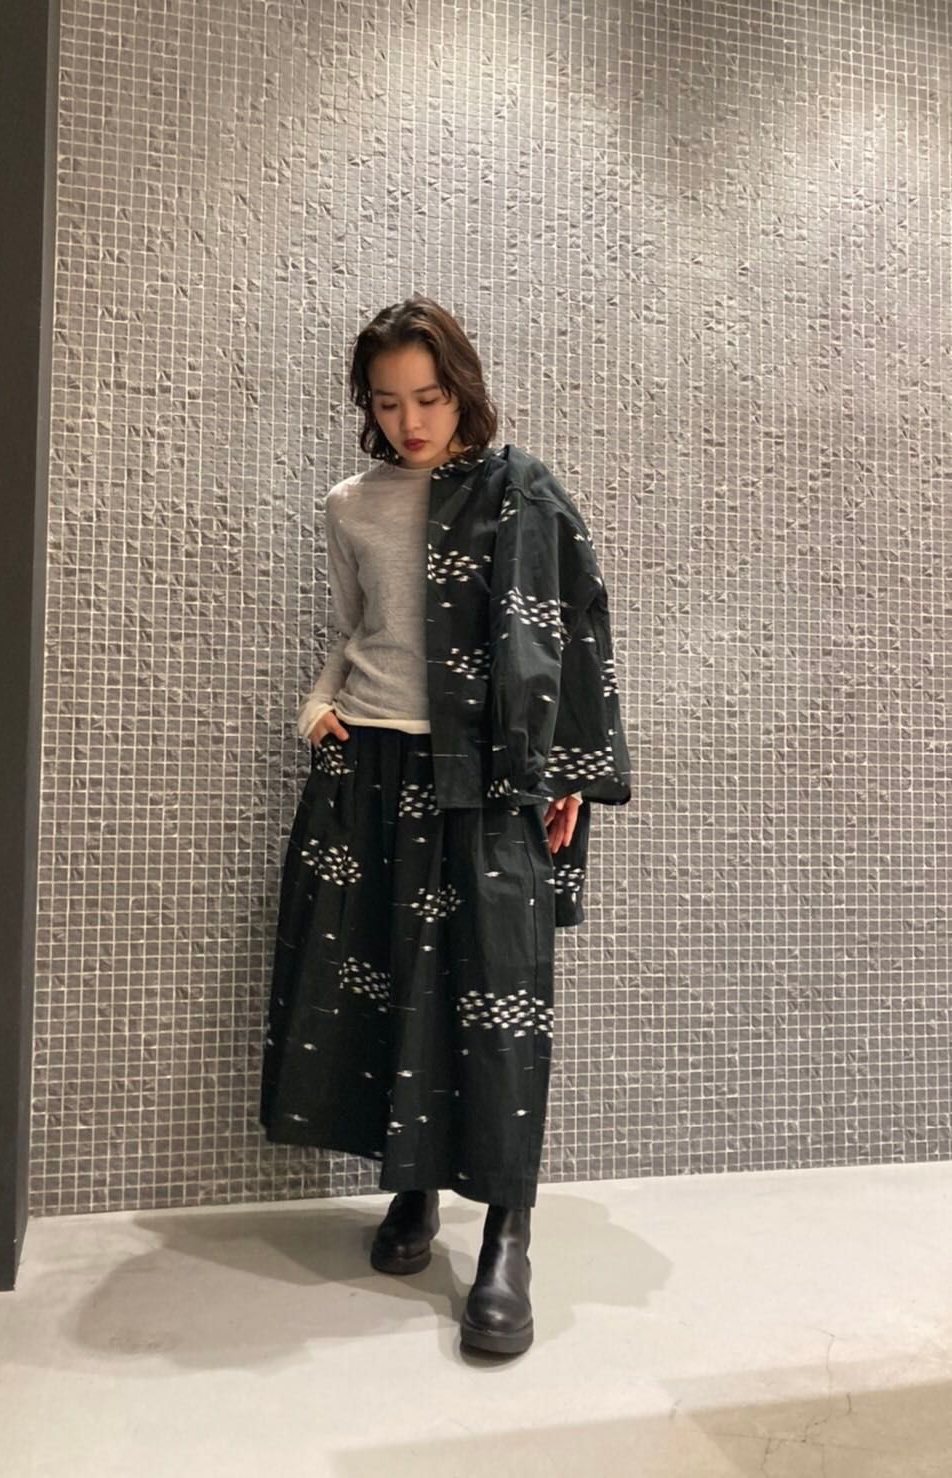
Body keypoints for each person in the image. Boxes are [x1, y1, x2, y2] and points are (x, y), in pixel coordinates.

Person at [259, 295, 632, 1356]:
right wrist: (313, 707)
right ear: (366, 405)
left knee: (501, 995)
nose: (410, 420)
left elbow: (577, 625)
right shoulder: (349, 503)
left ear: (461, 387)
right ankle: (412, 1188)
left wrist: (563, 766)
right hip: (369, 765)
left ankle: (507, 1233)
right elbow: (359, 633)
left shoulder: (523, 491)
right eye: (388, 402)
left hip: (487, 774)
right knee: (382, 976)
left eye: (427, 396)